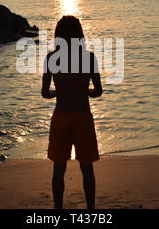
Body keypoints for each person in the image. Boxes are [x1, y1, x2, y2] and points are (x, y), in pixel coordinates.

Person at [41, 15, 103, 209]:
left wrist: (57, 92)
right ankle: (91, 210)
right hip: (83, 117)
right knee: (87, 168)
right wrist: (86, 91)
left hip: (62, 116)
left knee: (58, 168)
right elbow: (98, 91)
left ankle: (58, 209)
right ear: (80, 34)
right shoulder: (88, 57)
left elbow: (45, 93)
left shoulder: (51, 57)